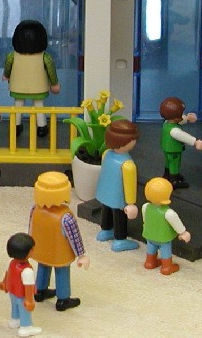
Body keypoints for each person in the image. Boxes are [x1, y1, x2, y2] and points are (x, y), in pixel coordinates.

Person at [28, 171, 89, 311]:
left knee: (43, 267)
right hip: (59, 253)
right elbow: (75, 237)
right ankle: (63, 299)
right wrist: (81, 255)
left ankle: (39, 291)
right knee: (62, 273)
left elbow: (31, 229)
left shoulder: (35, 209)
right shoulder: (66, 217)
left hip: (41, 250)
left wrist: (30, 245)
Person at [3, 20, 59, 138]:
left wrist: (6, 75)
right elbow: (51, 71)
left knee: (18, 105)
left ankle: (16, 126)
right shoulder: (45, 57)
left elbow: (8, 67)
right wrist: (54, 84)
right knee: (39, 105)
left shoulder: (12, 56)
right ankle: (41, 127)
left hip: (17, 86)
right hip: (38, 87)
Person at [95, 119, 140, 252]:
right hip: (118, 197)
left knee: (106, 210)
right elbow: (129, 185)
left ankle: (105, 230)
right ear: (127, 141)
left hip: (105, 192)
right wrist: (130, 203)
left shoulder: (106, 154)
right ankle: (120, 239)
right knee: (119, 216)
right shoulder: (128, 165)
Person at [141, 177, 191, 275]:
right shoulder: (168, 213)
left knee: (151, 247)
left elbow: (145, 220)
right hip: (163, 238)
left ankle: (149, 262)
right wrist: (183, 233)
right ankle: (167, 267)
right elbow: (177, 225)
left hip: (149, 235)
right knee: (165, 250)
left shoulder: (145, 207)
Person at [158, 96, 202, 189]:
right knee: (174, 164)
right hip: (173, 150)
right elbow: (184, 136)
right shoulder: (174, 130)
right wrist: (195, 142)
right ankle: (174, 180)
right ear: (176, 117)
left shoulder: (166, 123)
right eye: (181, 114)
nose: (182, 115)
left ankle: (167, 175)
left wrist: (187, 118)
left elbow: (179, 121)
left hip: (166, 148)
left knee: (168, 162)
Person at [0, 232, 41, 337]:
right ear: (29, 252)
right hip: (22, 295)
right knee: (24, 310)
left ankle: (15, 320)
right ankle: (26, 327)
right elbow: (28, 286)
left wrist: (4, 283)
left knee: (15, 306)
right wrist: (29, 300)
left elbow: (8, 273)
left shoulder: (12, 263)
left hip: (12, 292)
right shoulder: (27, 270)